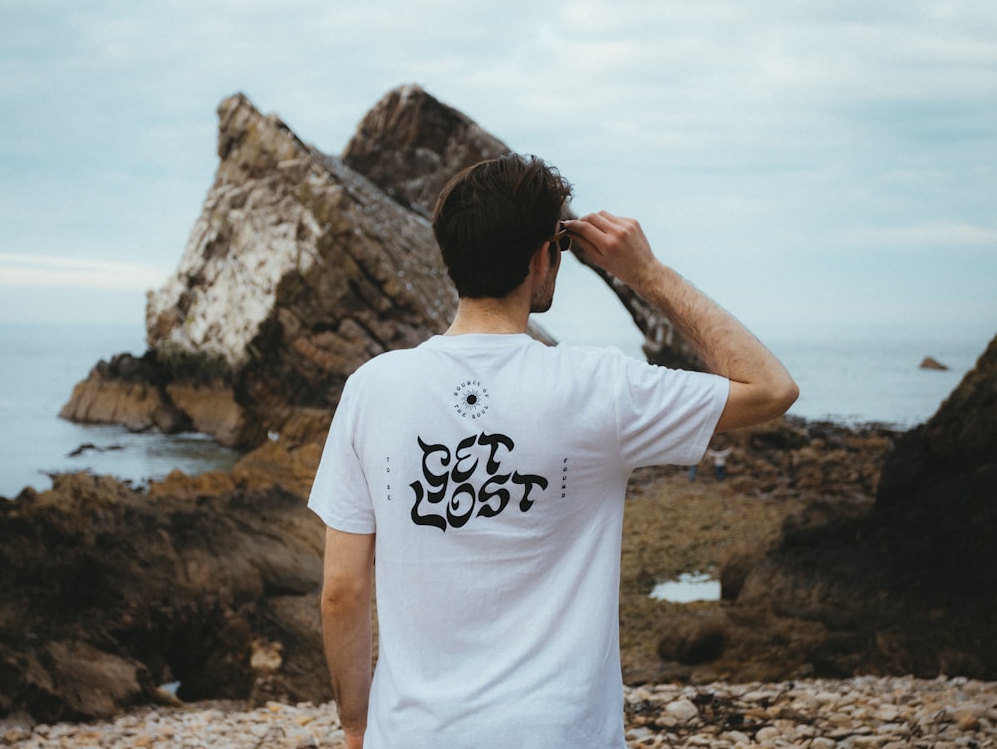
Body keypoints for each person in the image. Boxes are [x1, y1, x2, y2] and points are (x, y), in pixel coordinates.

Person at [308, 154, 798, 749]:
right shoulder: (599, 387)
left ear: (450, 253)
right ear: (543, 256)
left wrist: (357, 725)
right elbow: (771, 388)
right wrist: (647, 274)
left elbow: (342, 592)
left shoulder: (372, 388)